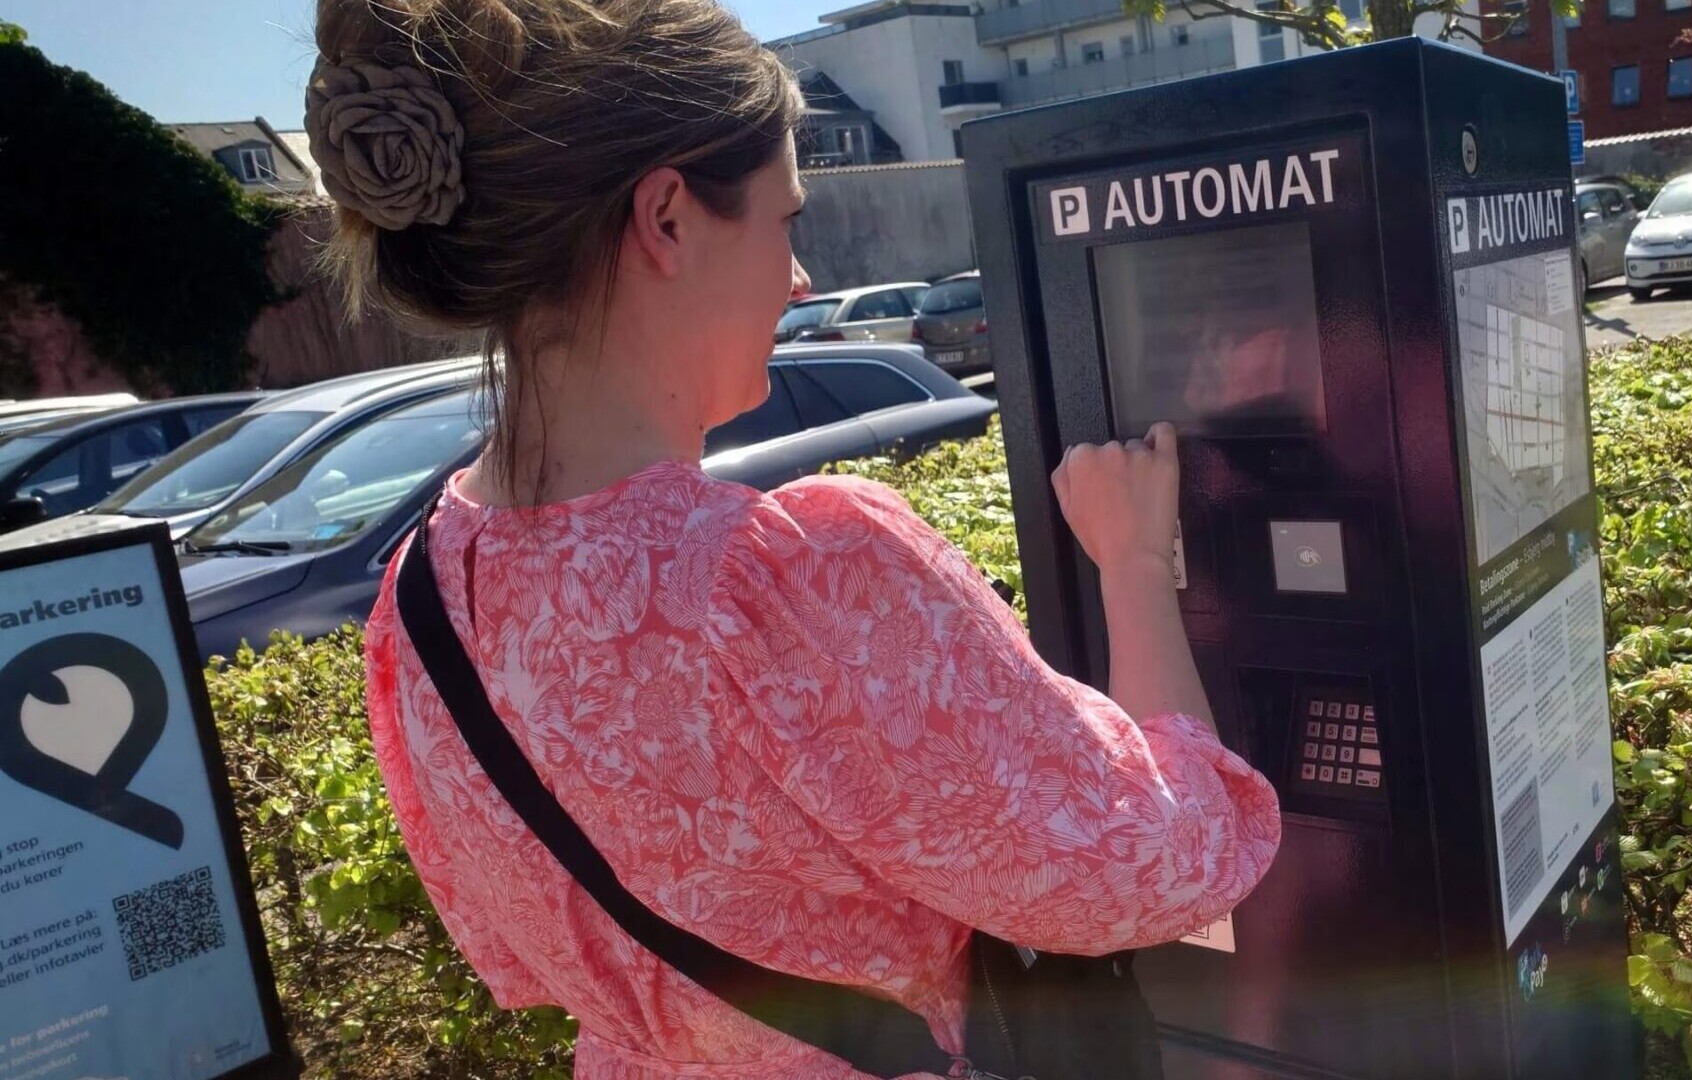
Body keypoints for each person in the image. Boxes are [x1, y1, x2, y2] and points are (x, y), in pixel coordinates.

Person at [313, 1, 1283, 1076]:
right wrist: (1138, 565)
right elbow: (1164, 861)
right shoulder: (790, 580)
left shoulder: (423, 603)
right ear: (668, 220)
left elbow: (519, 962)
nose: (801, 279)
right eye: (784, 223)